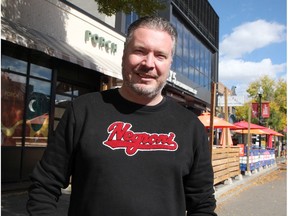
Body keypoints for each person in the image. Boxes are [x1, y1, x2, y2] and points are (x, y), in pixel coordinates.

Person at [27, 16, 217, 216]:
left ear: (170, 63)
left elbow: (202, 204)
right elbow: (44, 186)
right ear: (124, 54)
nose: (149, 63)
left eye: (160, 55)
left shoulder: (189, 126)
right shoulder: (83, 111)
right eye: (139, 51)